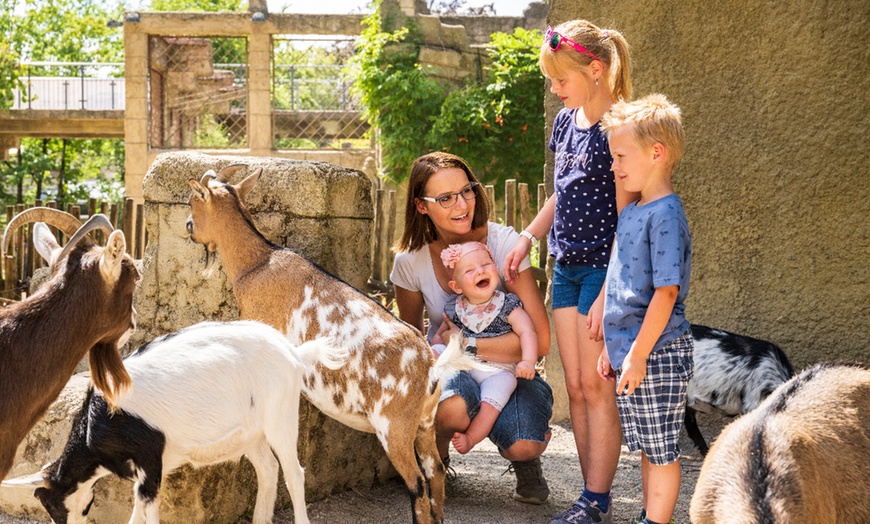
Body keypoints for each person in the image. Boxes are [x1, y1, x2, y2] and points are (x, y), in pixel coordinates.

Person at [503, 20, 634, 524]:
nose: (555, 90)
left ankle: (597, 499)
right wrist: (528, 236)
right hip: (566, 266)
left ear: (595, 70)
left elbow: (627, 216)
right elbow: (563, 192)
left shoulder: (620, 128)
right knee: (576, 386)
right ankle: (588, 496)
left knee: (597, 386)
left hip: (605, 268)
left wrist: (610, 293)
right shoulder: (564, 124)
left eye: (561, 80)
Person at [391, 151, 554, 504]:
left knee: (525, 443)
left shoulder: (503, 244)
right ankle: (434, 460)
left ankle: (526, 462)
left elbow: (540, 341)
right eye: (445, 198)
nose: (462, 204)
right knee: (451, 405)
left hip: (506, 369)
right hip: (454, 371)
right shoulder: (410, 262)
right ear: (421, 207)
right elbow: (411, 340)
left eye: (467, 191)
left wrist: (466, 344)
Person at [598, 93, 694, 524]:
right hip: (633, 353)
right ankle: (647, 516)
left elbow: (665, 292)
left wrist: (636, 354)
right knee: (647, 446)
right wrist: (613, 348)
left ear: (656, 153)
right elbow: (621, 280)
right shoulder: (634, 210)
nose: (614, 166)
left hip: (657, 352)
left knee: (661, 450)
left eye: (620, 156)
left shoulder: (666, 214)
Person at [433, 241, 538, 455]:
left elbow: (527, 331)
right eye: (470, 270)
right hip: (464, 366)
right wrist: (435, 348)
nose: (480, 271)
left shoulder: (506, 305)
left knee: (491, 404)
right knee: (434, 352)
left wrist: (528, 360)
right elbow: (441, 335)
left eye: (485, 264)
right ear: (457, 286)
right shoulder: (455, 307)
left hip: (498, 371)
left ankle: (471, 437)